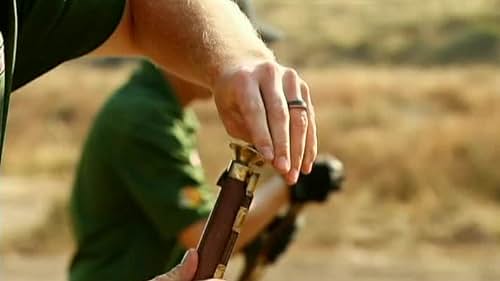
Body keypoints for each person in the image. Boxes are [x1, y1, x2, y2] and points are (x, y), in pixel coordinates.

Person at [0, 0, 317, 187]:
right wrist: (284, 194)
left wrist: (241, 60)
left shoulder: (173, 115)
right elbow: (192, 230)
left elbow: (135, 9)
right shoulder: (143, 116)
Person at [69, 59, 333, 281]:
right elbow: (198, 234)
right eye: (226, 52)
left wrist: (258, 230)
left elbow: (197, 217)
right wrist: (289, 190)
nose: (241, 72)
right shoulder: (143, 118)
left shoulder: (167, 112)